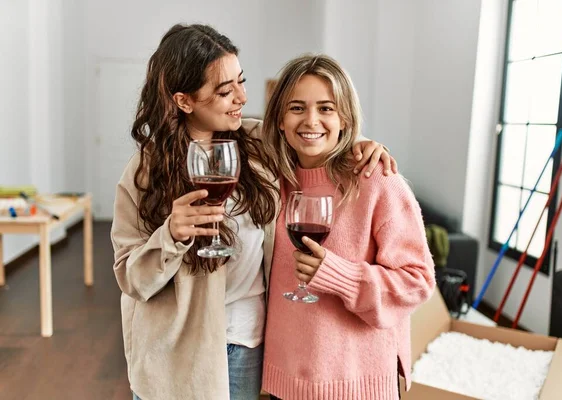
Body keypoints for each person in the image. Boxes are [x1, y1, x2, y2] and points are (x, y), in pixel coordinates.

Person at [110, 24, 397, 400]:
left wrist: (362, 143)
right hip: (174, 354)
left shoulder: (259, 145)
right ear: (184, 101)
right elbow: (131, 279)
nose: (242, 98)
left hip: (247, 344)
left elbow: (311, 131)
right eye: (225, 91)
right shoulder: (145, 171)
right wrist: (171, 236)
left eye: (240, 82)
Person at [261, 54, 436, 400]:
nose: (311, 120)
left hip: (356, 387)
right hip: (284, 382)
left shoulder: (377, 181)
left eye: (326, 108)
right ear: (280, 119)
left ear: (345, 118)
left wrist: (338, 275)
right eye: (297, 108)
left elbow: (418, 281)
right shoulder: (270, 180)